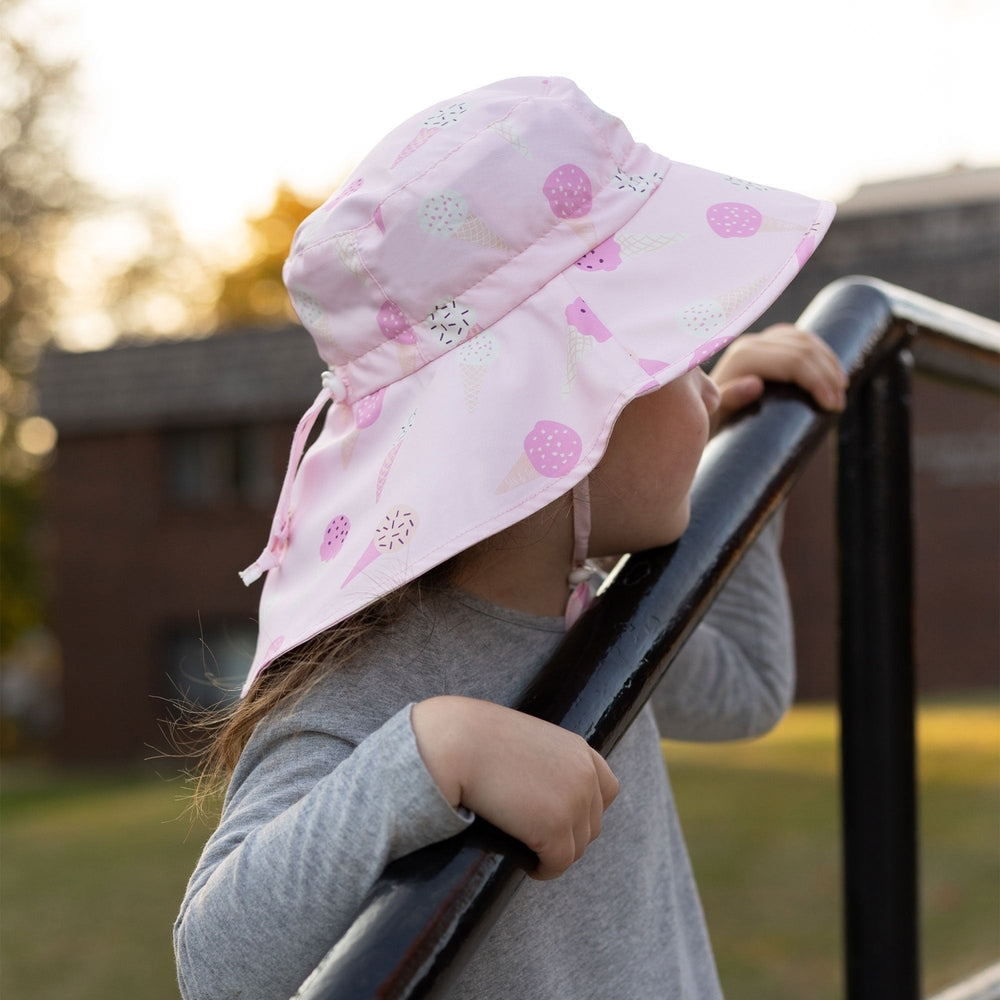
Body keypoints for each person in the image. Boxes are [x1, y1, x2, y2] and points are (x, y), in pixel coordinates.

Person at [174, 77, 845, 999]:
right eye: (668, 356)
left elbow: (747, 692)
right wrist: (429, 755)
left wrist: (750, 462)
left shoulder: (588, 604)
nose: (701, 382)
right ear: (556, 410)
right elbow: (215, 967)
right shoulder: (376, 689)